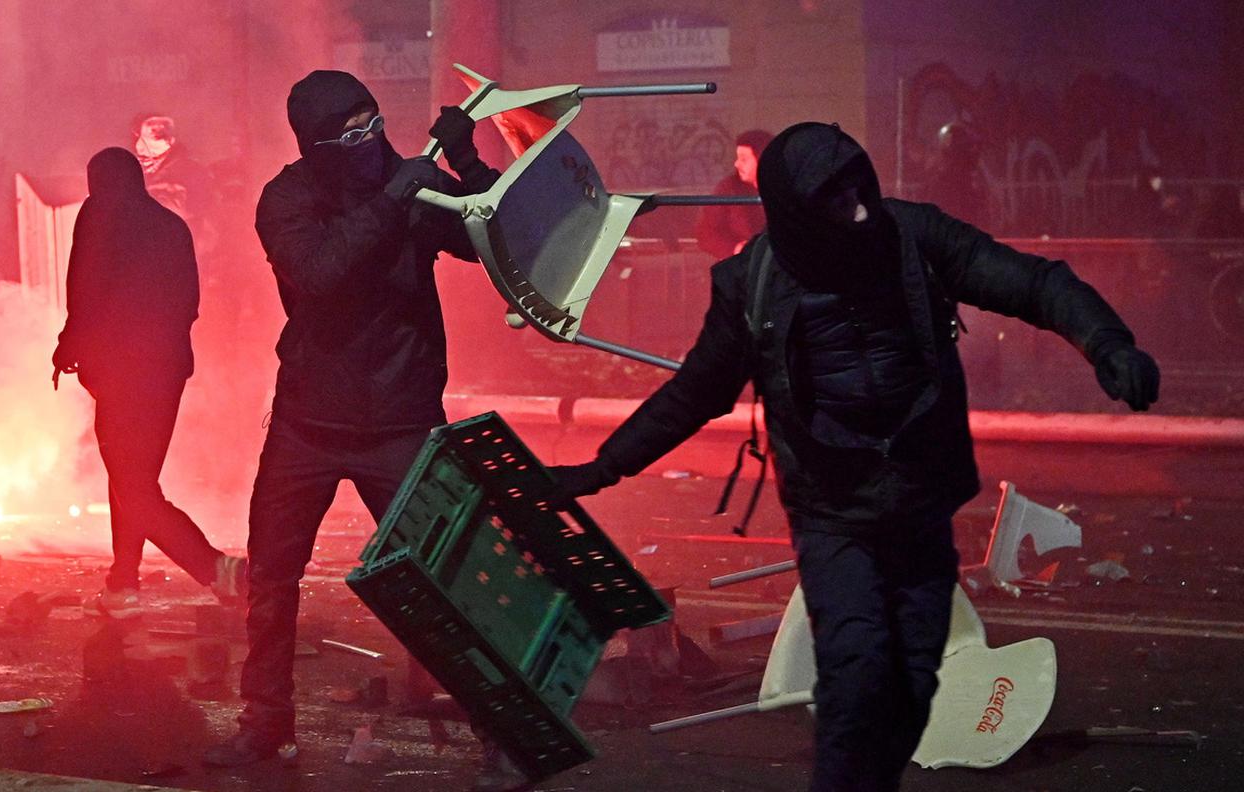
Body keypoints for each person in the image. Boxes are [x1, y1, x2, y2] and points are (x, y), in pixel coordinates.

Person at [549, 122, 1159, 792]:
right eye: (835, 197)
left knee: (907, 685)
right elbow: (690, 396)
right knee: (856, 680)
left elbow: (1033, 284)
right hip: (833, 514)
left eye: (858, 186)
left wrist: (1107, 343)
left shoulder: (914, 239)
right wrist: (599, 470)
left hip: (921, 503)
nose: (859, 207)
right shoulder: (751, 286)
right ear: (797, 211)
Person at [202, 71, 503, 769]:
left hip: (400, 419)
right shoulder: (288, 199)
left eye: (374, 124)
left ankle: (499, 731)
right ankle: (266, 725)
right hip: (309, 419)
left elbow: (491, 242)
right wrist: (397, 198)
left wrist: (469, 165)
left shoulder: (410, 180)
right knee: (272, 580)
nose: (371, 144)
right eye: (351, 134)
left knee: (443, 578)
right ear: (316, 146)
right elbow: (319, 274)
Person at [52, 147, 246, 619]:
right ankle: (123, 581)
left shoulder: (98, 215)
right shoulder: (170, 225)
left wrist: (69, 346)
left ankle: (216, 568)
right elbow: (190, 302)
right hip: (166, 372)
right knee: (134, 479)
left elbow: (85, 290)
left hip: (120, 373)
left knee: (131, 483)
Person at [694, 128, 772, 258]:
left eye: (744, 159)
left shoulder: (787, 187)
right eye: (737, 158)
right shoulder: (729, 189)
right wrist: (736, 248)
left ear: (762, 159)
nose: (736, 164)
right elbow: (705, 232)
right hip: (741, 268)